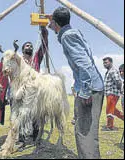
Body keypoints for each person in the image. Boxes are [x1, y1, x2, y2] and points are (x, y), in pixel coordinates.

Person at [47, 7, 104, 159]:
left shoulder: (67, 36)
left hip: (89, 89)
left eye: (51, 22)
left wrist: (85, 91)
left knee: (85, 134)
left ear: (55, 22)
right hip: (93, 85)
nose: (50, 25)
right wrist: (53, 23)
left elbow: (83, 63)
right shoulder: (72, 32)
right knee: (88, 133)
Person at [15, 27, 49, 147]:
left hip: (35, 90)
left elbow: (44, 48)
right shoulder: (19, 60)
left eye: (30, 46)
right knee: (23, 115)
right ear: (23, 49)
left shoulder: (36, 58)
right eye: (27, 46)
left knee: (36, 115)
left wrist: (44, 33)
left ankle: (35, 138)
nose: (29, 47)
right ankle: (21, 140)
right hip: (23, 90)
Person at [102, 57, 124, 131]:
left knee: (109, 110)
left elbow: (118, 81)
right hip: (109, 93)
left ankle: (110, 126)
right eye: (104, 63)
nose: (104, 64)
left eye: (106, 62)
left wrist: (119, 90)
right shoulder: (108, 71)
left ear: (111, 62)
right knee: (112, 109)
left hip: (113, 93)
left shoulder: (113, 71)